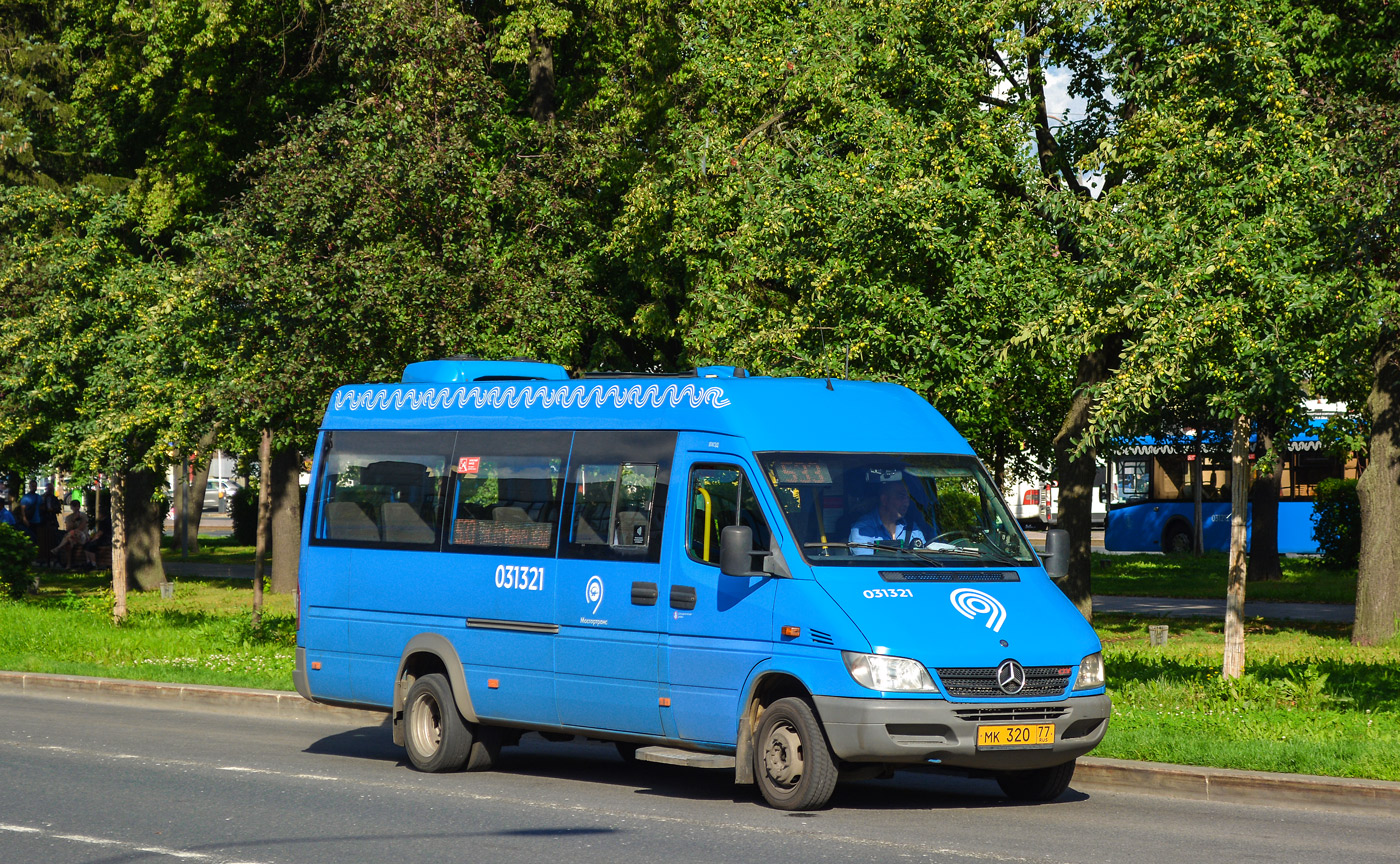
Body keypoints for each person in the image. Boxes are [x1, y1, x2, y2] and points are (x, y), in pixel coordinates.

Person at [848, 473, 935, 553]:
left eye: (907, 497)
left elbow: (925, 557)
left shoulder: (911, 528)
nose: (906, 503)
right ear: (884, 500)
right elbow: (866, 563)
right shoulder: (863, 530)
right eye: (901, 496)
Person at [52, 499, 89, 569]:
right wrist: (73, 521)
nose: (75, 508)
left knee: (71, 535)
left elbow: (81, 528)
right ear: (71, 507)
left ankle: (58, 548)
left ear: (79, 507)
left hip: (82, 536)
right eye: (74, 506)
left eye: (77, 506)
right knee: (68, 543)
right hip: (72, 537)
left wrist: (74, 530)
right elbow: (68, 529)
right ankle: (69, 564)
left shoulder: (83, 516)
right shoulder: (69, 517)